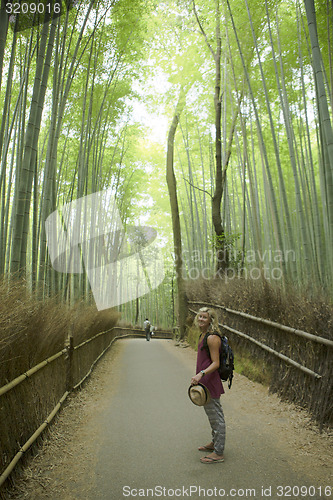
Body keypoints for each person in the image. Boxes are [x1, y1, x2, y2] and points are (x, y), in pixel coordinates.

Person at [190, 306, 225, 464]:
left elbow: (216, 363)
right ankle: (214, 443)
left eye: (204, 317)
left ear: (211, 320)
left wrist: (201, 374)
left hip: (210, 381)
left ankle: (219, 452)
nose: (201, 319)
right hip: (204, 382)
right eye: (199, 316)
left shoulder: (212, 337)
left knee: (217, 417)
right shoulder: (203, 335)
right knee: (211, 415)